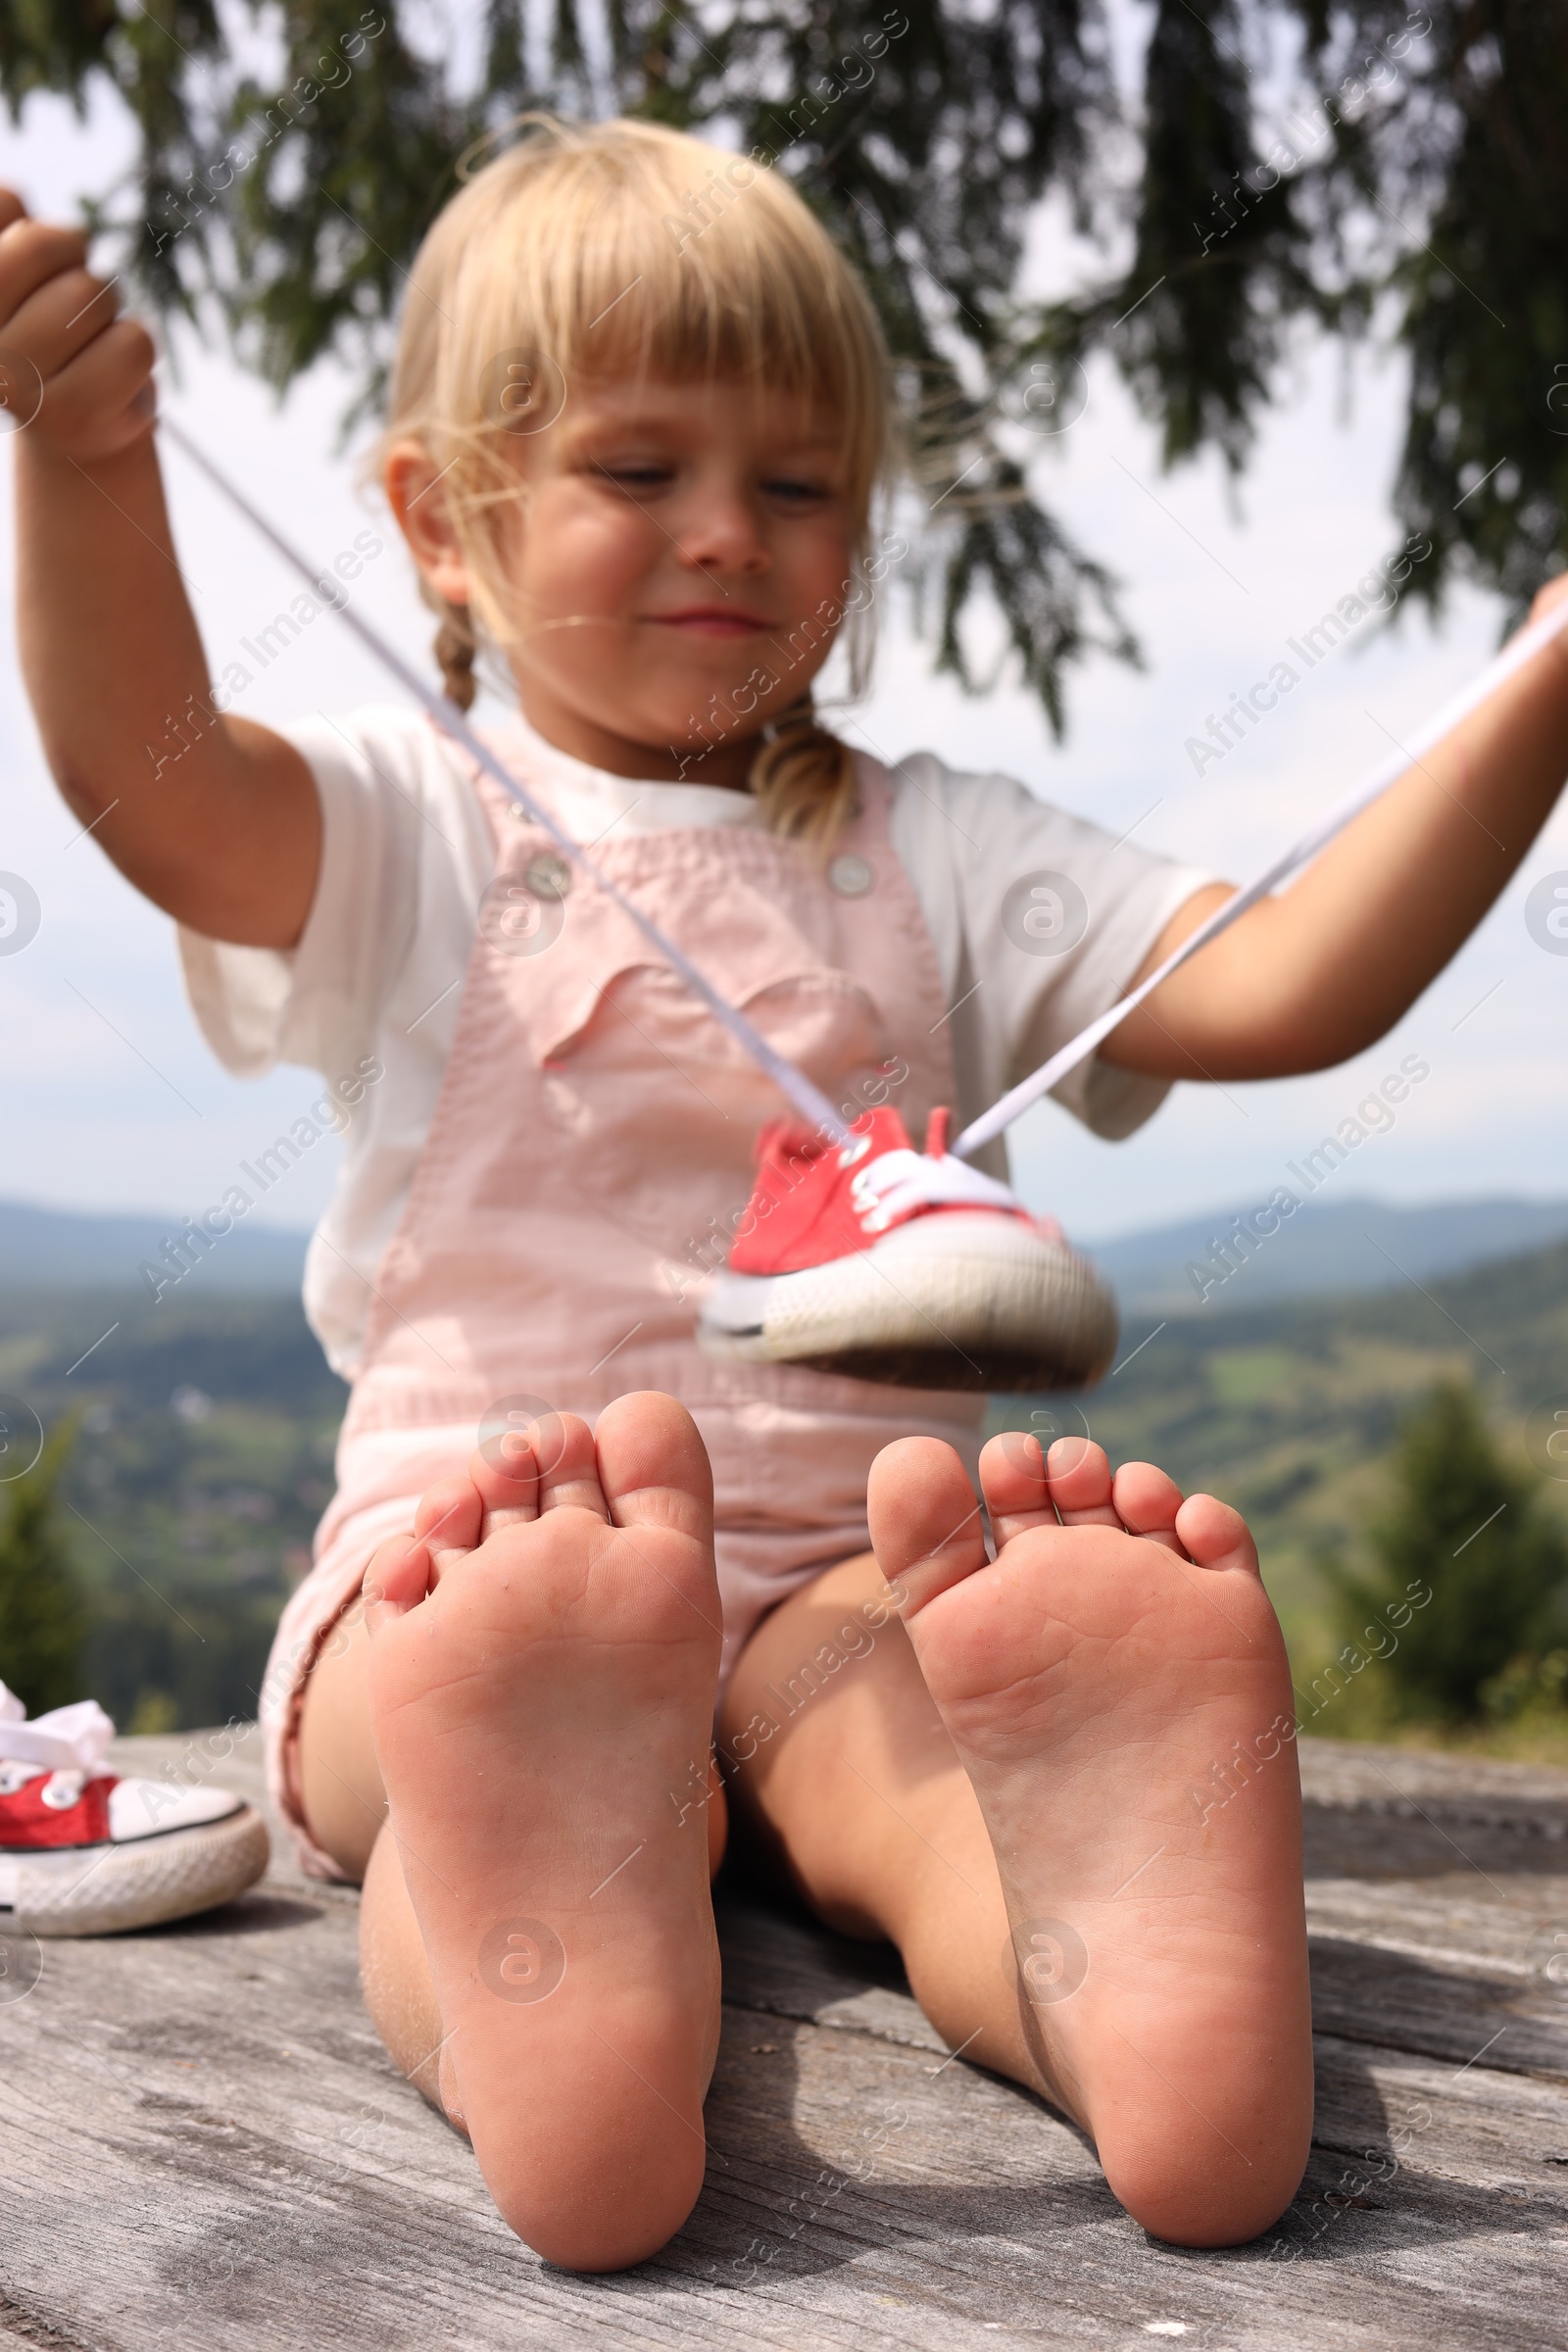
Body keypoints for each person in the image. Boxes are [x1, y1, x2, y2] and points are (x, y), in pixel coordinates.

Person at [6, 115, 1566, 2272]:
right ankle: (552, 1935)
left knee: (932, 1757)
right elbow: (153, 787)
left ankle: (1104, 1961)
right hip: (484, 1538)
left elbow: (1291, 978)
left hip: (863, 1559)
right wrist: (88, 469)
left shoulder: (940, 851)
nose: (726, 533)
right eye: (637, 472)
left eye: (799, 483)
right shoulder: (408, 824)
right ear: (440, 521)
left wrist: (1538, 680)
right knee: (431, 1712)